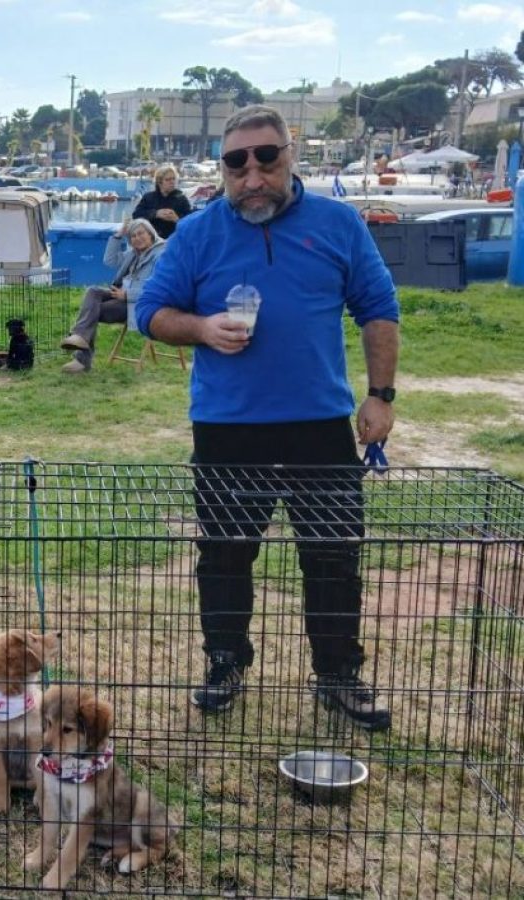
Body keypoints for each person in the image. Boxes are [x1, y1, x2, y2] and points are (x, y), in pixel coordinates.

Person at [134, 105, 399, 732]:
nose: (252, 174)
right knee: (224, 554)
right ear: (224, 169)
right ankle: (225, 663)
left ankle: (338, 673)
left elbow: (379, 308)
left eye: (265, 157)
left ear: (290, 156)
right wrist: (200, 327)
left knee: (334, 555)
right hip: (228, 426)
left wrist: (381, 395)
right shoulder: (198, 233)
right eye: (236, 162)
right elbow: (150, 310)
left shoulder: (339, 224)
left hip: (319, 423)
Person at [59, 218, 165, 374]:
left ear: (150, 234)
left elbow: (159, 289)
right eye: (133, 236)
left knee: (92, 311)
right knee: (93, 291)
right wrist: (118, 235)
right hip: (120, 294)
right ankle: (79, 337)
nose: (137, 238)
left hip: (139, 303)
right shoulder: (133, 253)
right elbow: (109, 260)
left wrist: (128, 295)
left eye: (141, 233)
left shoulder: (161, 255)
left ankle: (82, 358)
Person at [130, 165, 191, 240]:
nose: (172, 182)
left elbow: (190, 222)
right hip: (151, 241)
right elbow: (136, 215)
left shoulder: (181, 199)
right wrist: (155, 214)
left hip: (173, 240)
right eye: (168, 179)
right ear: (159, 182)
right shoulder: (148, 197)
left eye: (173, 179)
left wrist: (176, 219)